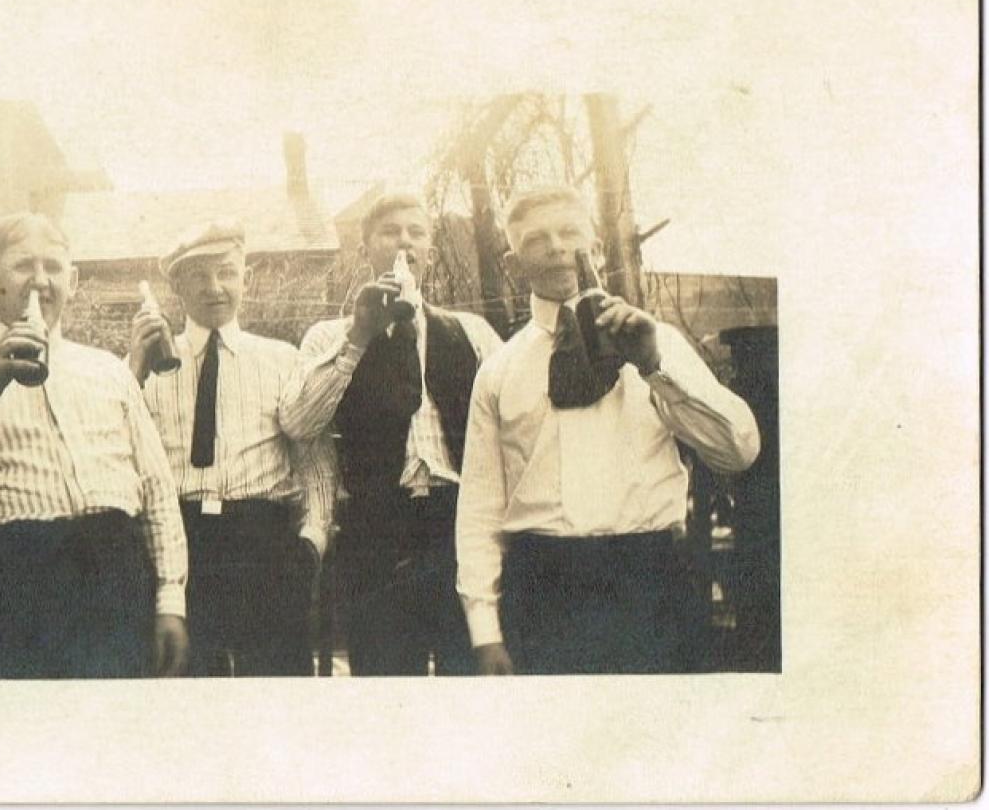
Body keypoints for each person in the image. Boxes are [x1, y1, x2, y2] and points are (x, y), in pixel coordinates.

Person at [456, 186, 761, 675]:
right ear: (514, 266)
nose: (556, 246)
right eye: (536, 239)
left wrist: (654, 366)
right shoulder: (498, 370)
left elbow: (738, 450)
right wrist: (484, 630)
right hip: (543, 590)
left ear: (596, 248)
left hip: (651, 582)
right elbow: (479, 506)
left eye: (569, 232)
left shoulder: (657, 340)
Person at [0, 212, 189, 679]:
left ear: (74, 281)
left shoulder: (109, 371)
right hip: (6, 600)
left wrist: (169, 602)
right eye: (24, 265)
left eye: (55, 267)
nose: (41, 281)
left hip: (113, 590)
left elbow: (156, 492)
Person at [279, 192, 502, 676]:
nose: (404, 241)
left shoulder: (472, 331)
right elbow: (299, 423)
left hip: (457, 526)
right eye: (389, 232)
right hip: (376, 533)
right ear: (365, 251)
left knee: (468, 681)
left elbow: (509, 430)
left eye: (416, 232)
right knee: (384, 685)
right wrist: (359, 336)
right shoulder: (329, 336)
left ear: (432, 253)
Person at [127, 219, 337, 677]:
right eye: (198, 275)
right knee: (189, 698)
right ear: (177, 286)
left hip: (264, 545)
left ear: (247, 276)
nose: (214, 287)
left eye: (225, 271)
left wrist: (311, 545)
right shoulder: (149, 365)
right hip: (180, 546)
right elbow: (121, 455)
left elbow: (315, 463)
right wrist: (133, 369)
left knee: (277, 702)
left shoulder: (282, 359)